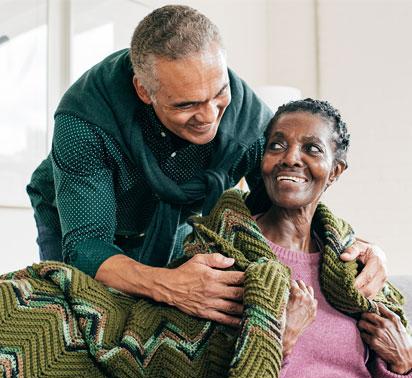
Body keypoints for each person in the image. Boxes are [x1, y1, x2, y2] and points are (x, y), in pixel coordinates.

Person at [27, 5, 387, 328]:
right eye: (187, 105)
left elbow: (286, 214)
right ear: (143, 90)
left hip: (172, 220)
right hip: (78, 224)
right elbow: (87, 245)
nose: (210, 116)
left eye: (219, 94)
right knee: (78, 321)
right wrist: (169, 285)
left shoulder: (251, 121)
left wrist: (361, 250)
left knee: (164, 320)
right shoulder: (84, 119)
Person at [243, 98, 412, 378]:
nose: (291, 158)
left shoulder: (352, 264)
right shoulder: (229, 254)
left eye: (312, 149)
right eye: (277, 146)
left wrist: (402, 364)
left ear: (335, 171)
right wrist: (279, 339)